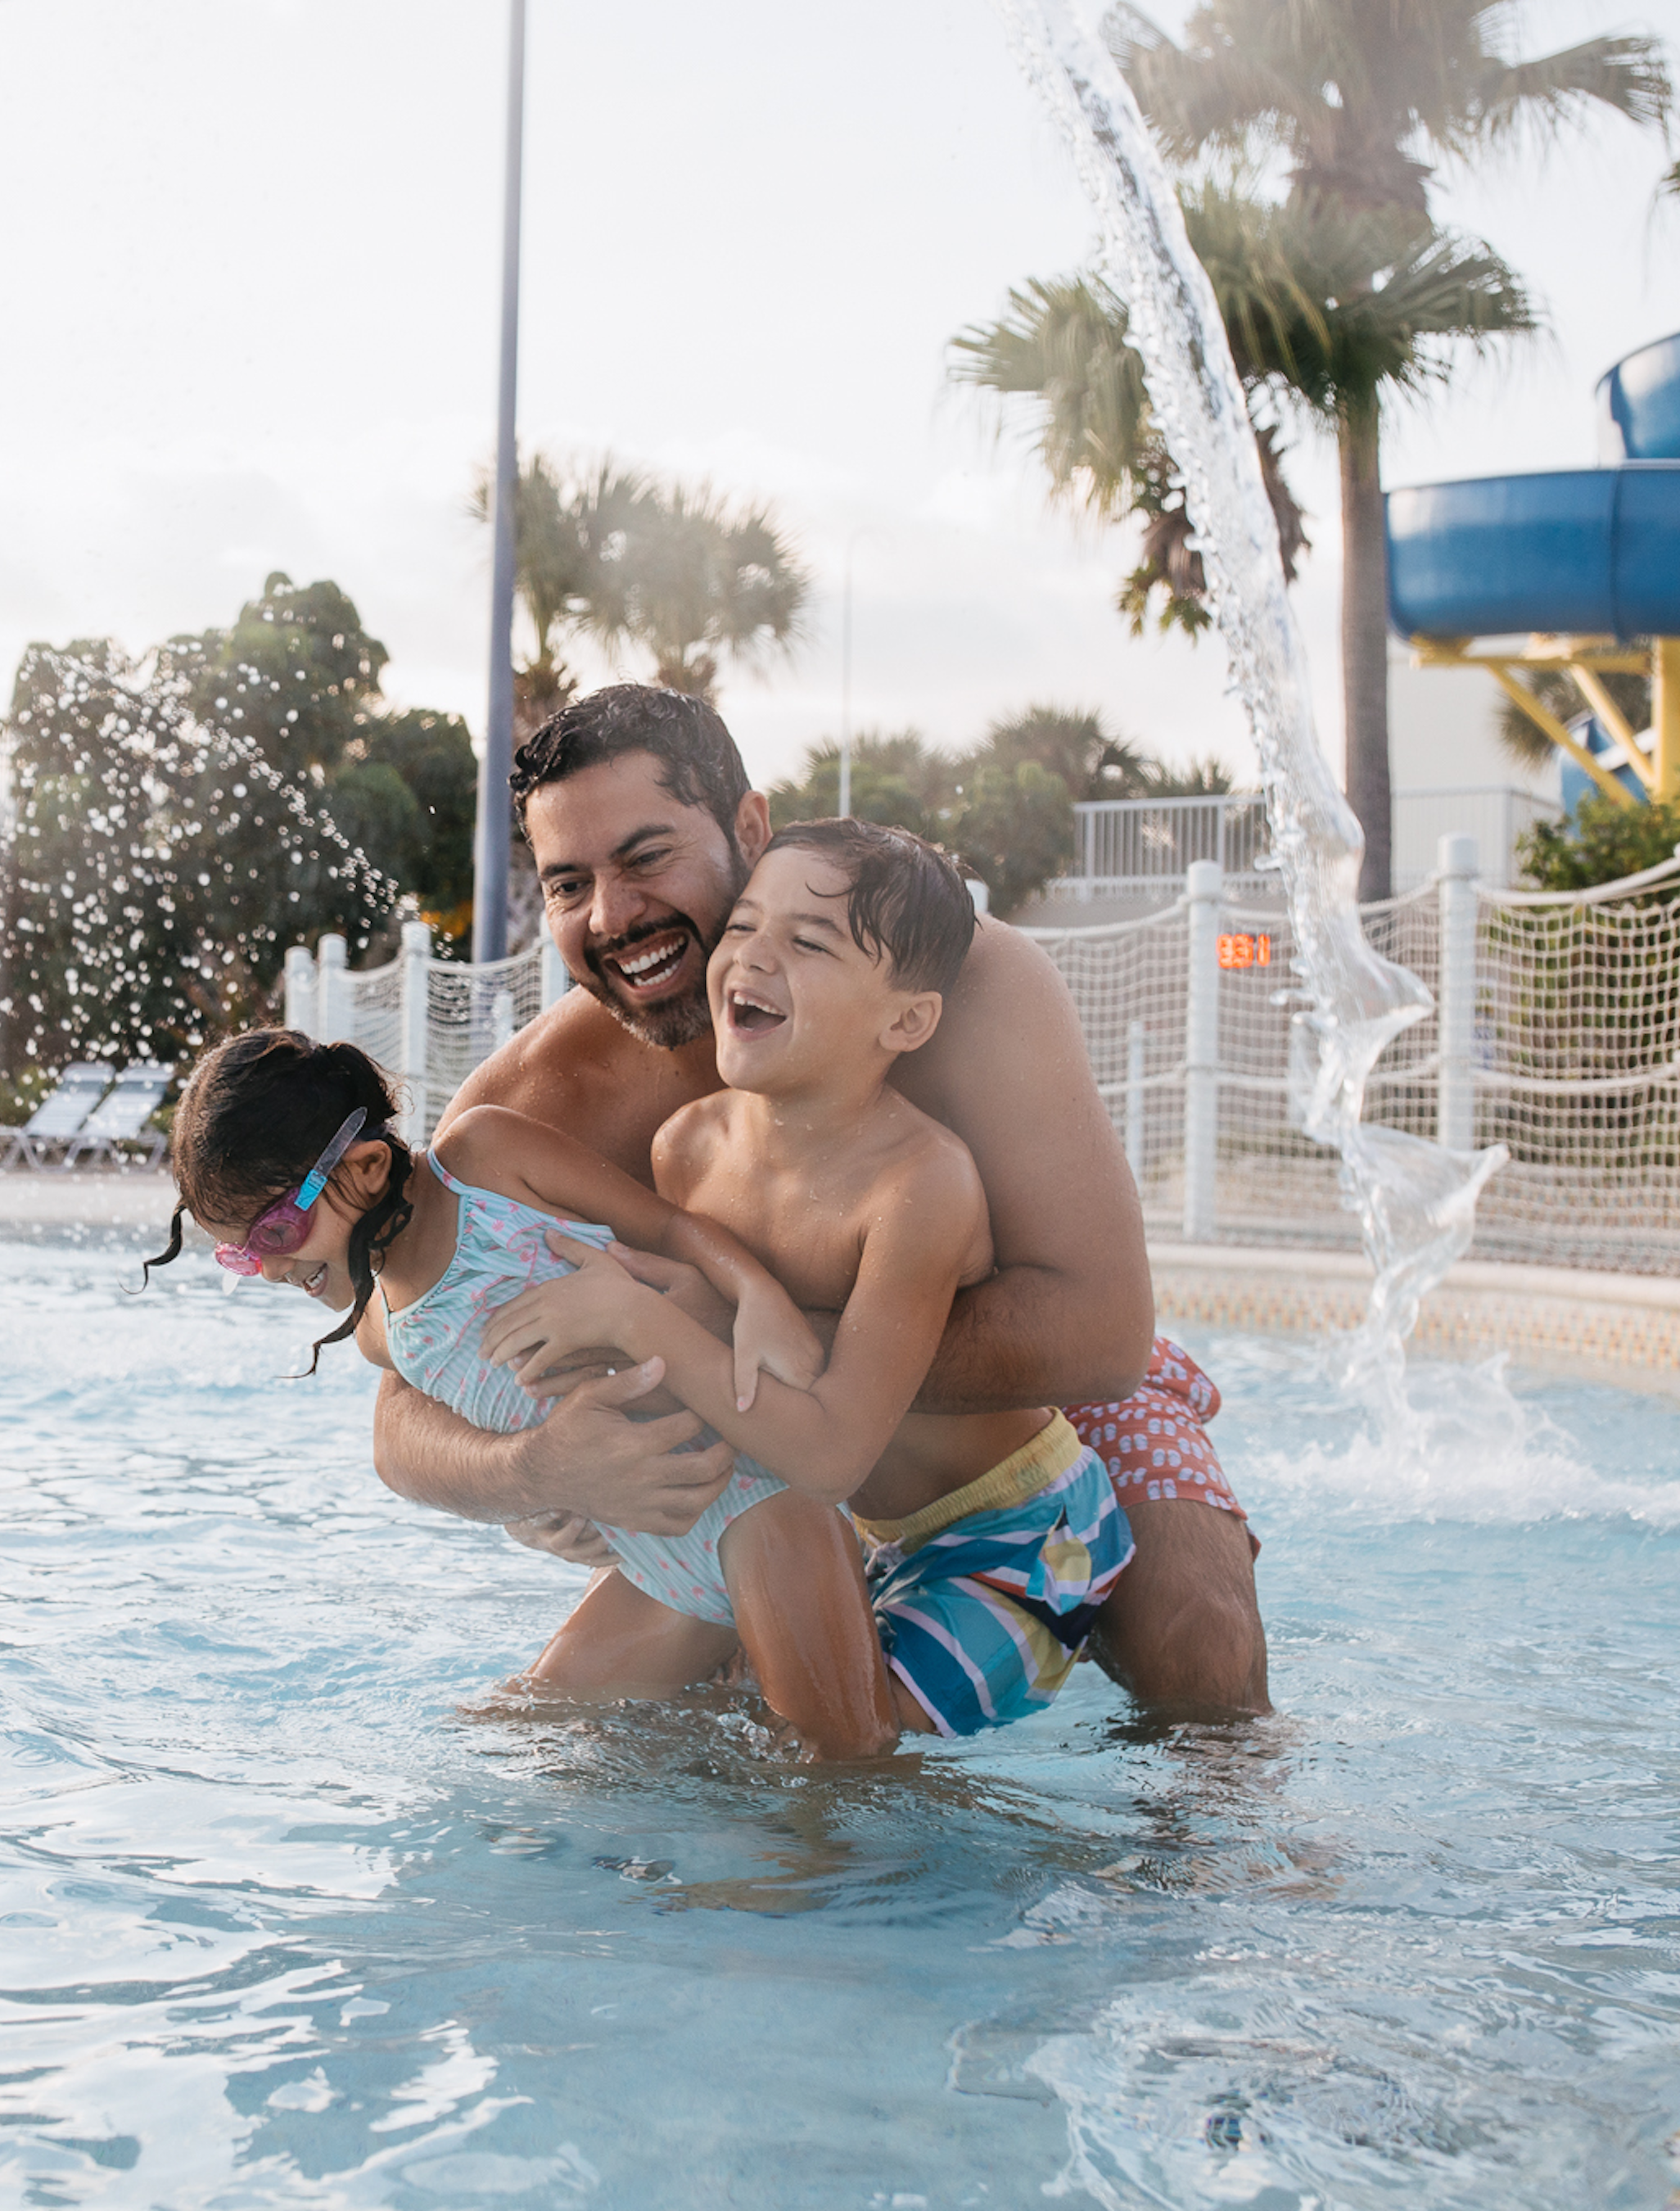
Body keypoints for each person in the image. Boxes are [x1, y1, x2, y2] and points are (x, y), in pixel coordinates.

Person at [377, 684, 1271, 1716]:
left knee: (1196, 1647)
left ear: (748, 828)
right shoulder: (545, 1107)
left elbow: (1104, 1333)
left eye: (647, 857)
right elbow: (399, 1392)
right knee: (605, 1724)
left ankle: (1234, 1866)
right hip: (777, 1450)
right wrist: (536, 1467)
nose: (614, 917)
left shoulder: (957, 988)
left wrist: (728, 1338)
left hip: (1028, 1428)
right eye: (569, 884)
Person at [483, 819, 1135, 1734]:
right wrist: (581, 1480)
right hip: (844, 1528)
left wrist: (637, 1321)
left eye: (808, 942)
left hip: (1016, 1534)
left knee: (834, 1752)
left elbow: (835, 1448)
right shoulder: (688, 1149)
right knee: (542, 1715)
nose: (752, 957)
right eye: (744, 926)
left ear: (904, 1020)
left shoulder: (920, 1184)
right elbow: (715, 1368)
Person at [143, 1029, 917, 1759]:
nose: (271, 1269)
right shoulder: (384, 1330)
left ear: (367, 1168)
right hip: (656, 1568)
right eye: (239, 1255)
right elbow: (461, 1447)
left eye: (275, 1233)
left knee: (840, 1781)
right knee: (509, 1737)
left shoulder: (484, 1161)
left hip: (756, 1505)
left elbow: (672, 1228)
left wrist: (759, 1297)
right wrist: (533, 1495)